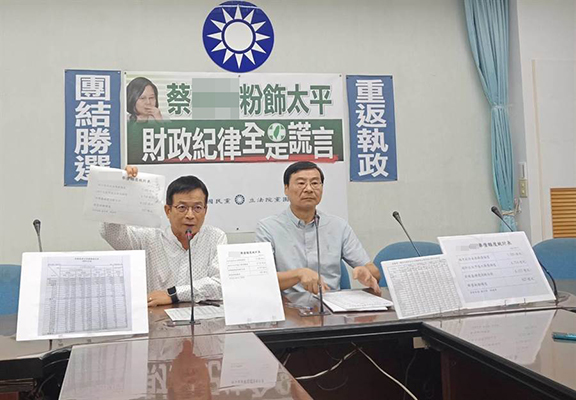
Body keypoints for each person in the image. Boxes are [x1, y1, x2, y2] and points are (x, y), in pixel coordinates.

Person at [100, 166, 226, 307]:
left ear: (205, 210)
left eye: (197, 208)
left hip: (202, 318)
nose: (190, 215)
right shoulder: (148, 239)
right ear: (168, 210)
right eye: (182, 207)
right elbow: (111, 233)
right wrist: (120, 189)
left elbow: (220, 284)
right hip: (159, 317)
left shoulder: (215, 237)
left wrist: (173, 295)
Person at [255, 161, 381, 295]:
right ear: (286, 188)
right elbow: (263, 280)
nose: (309, 189)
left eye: (315, 183)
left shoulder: (338, 226)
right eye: (301, 183)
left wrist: (367, 273)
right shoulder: (268, 228)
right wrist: (298, 274)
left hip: (331, 302)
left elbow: (374, 272)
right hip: (289, 304)